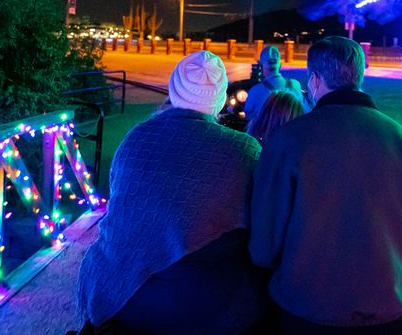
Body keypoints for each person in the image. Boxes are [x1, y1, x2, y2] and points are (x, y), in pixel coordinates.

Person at [249, 36, 402, 334]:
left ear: (315, 80)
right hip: (393, 312)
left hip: (309, 313)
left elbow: (264, 248)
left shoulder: (289, 141)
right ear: (359, 77)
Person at [77, 51, 268, 334]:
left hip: (122, 292)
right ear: (217, 97)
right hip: (207, 305)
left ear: (175, 88)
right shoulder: (245, 150)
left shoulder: (136, 138)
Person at [243, 45, 308, 119]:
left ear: (261, 66)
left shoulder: (256, 90)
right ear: (280, 66)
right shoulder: (295, 85)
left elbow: (248, 117)